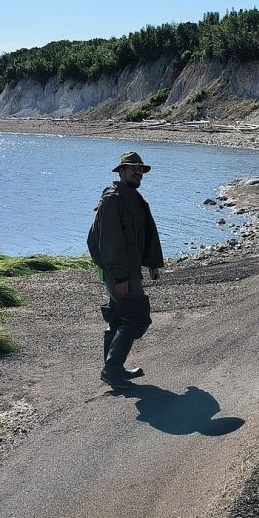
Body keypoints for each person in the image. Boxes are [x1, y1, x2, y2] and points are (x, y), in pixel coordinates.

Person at [86, 151, 164, 390]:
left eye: (140, 169)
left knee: (119, 317)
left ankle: (114, 369)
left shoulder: (134, 198)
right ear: (121, 171)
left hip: (128, 270)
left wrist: (152, 262)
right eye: (132, 168)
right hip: (120, 272)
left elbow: (144, 234)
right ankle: (111, 368)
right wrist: (119, 276)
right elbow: (109, 242)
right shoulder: (112, 199)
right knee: (138, 317)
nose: (138, 173)